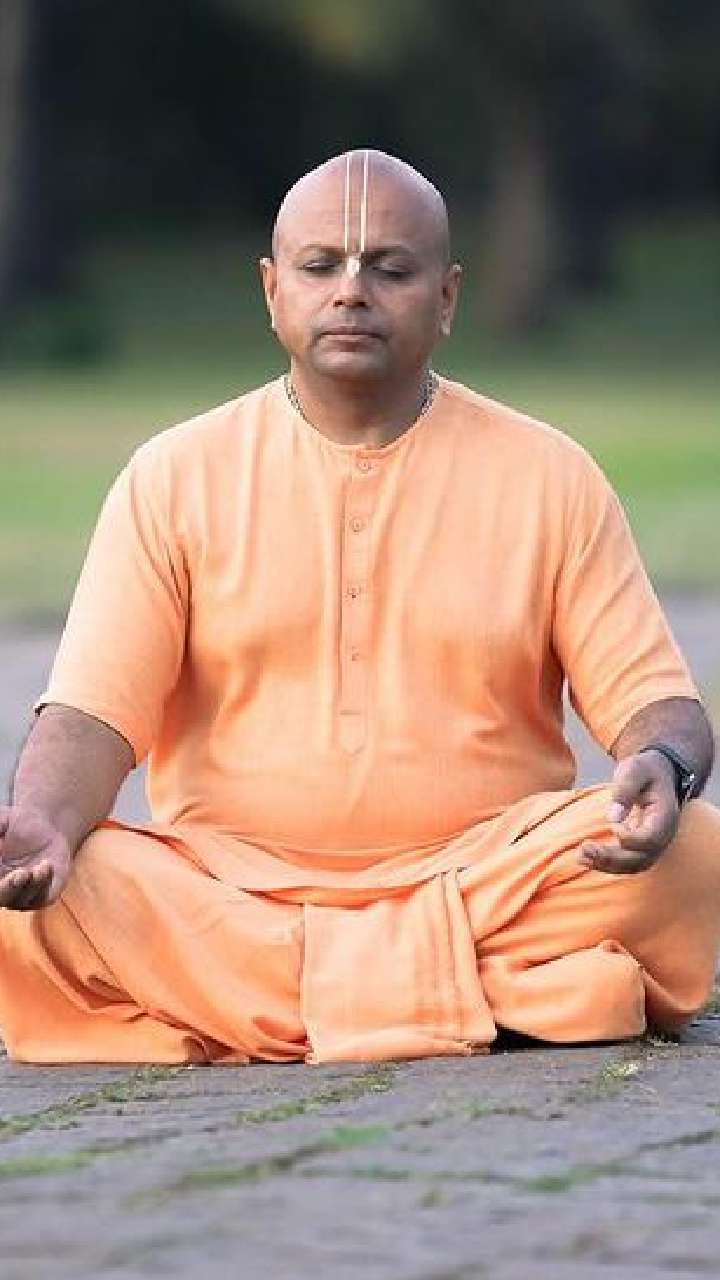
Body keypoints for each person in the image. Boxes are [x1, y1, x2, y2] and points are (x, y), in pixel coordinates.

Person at [0, 150, 717, 1066]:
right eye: (320, 266)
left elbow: (656, 704)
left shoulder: (552, 475)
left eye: (388, 268)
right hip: (233, 888)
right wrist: (44, 826)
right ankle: (493, 995)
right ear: (273, 292)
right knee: (59, 891)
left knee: (692, 853)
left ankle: (260, 1004)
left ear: (447, 298)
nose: (351, 292)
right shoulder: (172, 477)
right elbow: (92, 713)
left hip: (483, 876)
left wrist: (663, 765)